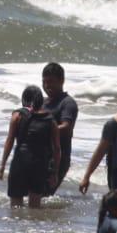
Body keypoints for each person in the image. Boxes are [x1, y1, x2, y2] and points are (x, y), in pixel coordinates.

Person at [0, 85, 62, 209]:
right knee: (35, 205)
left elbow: (9, 141)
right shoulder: (50, 120)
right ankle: (32, 227)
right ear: (41, 101)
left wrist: (2, 165)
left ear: (24, 99)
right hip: (39, 164)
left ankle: (17, 227)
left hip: (20, 161)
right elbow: (57, 149)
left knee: (15, 205)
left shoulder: (17, 116)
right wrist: (55, 172)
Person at [41, 62, 78, 193]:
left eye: (51, 82)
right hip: (40, 156)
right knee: (33, 197)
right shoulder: (43, 102)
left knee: (43, 195)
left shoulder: (67, 103)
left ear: (61, 81)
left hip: (58, 159)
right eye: (44, 82)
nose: (47, 86)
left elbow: (66, 126)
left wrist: (42, 128)